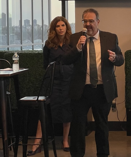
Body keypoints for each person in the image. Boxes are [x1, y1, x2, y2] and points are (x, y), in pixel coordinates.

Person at [61, 8, 124, 157]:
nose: (88, 24)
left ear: (98, 22)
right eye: (85, 21)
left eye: (91, 21)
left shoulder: (110, 37)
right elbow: (65, 60)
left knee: (102, 126)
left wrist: (115, 58)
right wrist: (77, 48)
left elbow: (121, 59)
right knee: (78, 126)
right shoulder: (75, 38)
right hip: (81, 90)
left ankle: (103, 154)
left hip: (102, 89)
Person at [27, 16, 73, 156]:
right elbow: (45, 63)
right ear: (54, 29)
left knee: (67, 110)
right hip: (52, 81)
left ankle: (65, 141)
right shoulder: (48, 44)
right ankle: (37, 142)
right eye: (57, 26)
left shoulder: (71, 43)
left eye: (63, 25)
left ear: (66, 27)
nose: (60, 28)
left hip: (67, 80)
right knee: (45, 111)